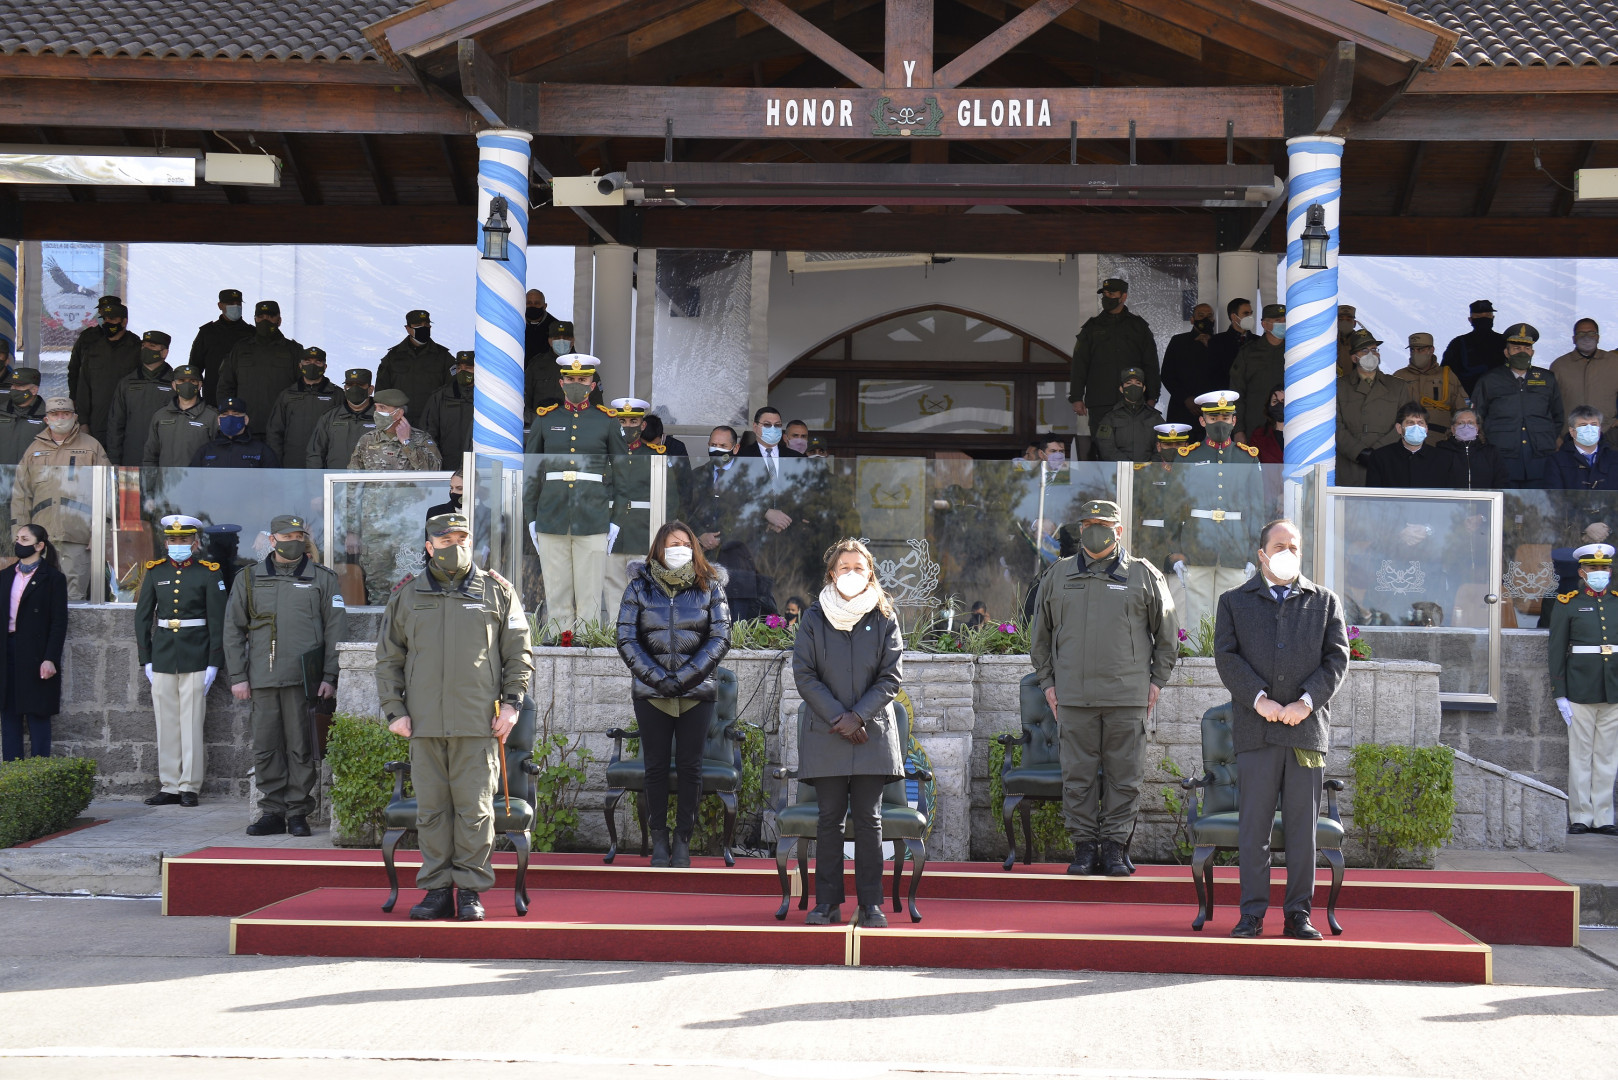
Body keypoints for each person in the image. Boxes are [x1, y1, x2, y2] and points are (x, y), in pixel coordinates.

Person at [377, 511, 533, 921]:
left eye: (462, 539)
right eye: (445, 541)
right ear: (429, 547)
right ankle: (435, 890)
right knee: (431, 812)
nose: (455, 546)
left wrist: (513, 704)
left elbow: (519, 654)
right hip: (424, 723)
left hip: (477, 723)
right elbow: (389, 659)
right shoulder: (407, 596)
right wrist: (394, 710)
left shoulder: (498, 593)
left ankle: (469, 892)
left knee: (475, 812)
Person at [1213, 518, 1350, 940]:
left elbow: (1337, 659)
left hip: (1305, 733)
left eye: (1294, 545)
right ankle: (1252, 913)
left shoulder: (1324, 602)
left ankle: (1298, 915)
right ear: (1261, 554)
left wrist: (1305, 702)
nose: (1287, 551)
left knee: (1301, 829)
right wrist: (1261, 700)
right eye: (1279, 545)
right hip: (1256, 732)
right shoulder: (1235, 602)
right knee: (1253, 829)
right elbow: (1227, 656)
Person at [1030, 499, 1178, 876]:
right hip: (1073, 698)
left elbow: (1167, 636)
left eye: (1104, 523)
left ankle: (1113, 848)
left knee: (1124, 776)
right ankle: (1083, 848)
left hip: (1126, 697)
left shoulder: (1144, 575)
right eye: (1089, 522)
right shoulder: (1058, 575)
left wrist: (1156, 681)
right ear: (1080, 529)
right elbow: (1040, 638)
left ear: (1119, 530)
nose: (1096, 528)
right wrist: (1048, 683)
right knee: (1076, 777)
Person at [792, 538, 905, 928]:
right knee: (829, 821)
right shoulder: (813, 618)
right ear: (831, 573)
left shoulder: (885, 616)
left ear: (870, 572)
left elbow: (891, 677)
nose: (852, 574)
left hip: (871, 734)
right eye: (845, 568)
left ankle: (871, 904)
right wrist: (839, 718)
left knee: (870, 820)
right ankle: (826, 903)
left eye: (859, 568)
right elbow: (804, 674)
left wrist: (858, 717)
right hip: (827, 734)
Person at [615, 520, 732, 867]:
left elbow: (720, 637)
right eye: (670, 544)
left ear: (694, 547)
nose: (677, 548)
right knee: (655, 767)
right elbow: (626, 638)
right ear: (658, 550)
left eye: (684, 542)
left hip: (696, 692)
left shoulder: (710, 586)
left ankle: (683, 838)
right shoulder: (639, 587)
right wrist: (656, 678)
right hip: (651, 693)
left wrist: (684, 677)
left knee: (689, 767)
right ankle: (659, 840)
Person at [225, 512, 345, 838]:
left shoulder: (322, 578)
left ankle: (297, 812)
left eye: (298, 537)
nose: (293, 543)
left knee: (301, 747)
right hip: (262, 677)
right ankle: (272, 812)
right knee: (265, 746)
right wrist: (238, 675)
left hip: (302, 679)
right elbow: (233, 629)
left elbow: (336, 629)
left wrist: (329, 676)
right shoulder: (248, 578)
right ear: (272, 540)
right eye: (287, 537)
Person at [524, 355, 622, 630]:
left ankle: (587, 648)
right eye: (570, 379)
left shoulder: (607, 421)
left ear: (593, 384)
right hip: (551, 514)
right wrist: (531, 516)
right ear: (561, 382)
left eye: (582, 379)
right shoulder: (546, 419)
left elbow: (623, 474)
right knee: (557, 595)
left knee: (590, 597)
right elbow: (532, 472)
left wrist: (615, 518)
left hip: (593, 516)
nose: (576, 383)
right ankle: (558, 644)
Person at [135, 515, 227, 807]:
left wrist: (214, 663)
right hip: (163, 654)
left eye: (184, 540)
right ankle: (169, 785)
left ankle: (189, 785)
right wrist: (145, 659)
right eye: (173, 540)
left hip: (196, 653)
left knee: (190, 721)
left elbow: (218, 620)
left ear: (195, 543)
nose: (178, 545)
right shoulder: (154, 571)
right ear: (165, 543)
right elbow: (143, 617)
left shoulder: (209, 572)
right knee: (166, 722)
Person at [1548, 543, 1618, 836]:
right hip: (1579, 689)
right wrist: (1559, 693)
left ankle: (1604, 816)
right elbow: (1556, 649)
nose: (1599, 573)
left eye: (1604, 568)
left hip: (1613, 690)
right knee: (1580, 755)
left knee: (1606, 756)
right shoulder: (1569, 603)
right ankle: (1580, 815)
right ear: (1581, 572)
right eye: (1593, 568)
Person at [11, 398, 109, 599]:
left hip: (78, 535)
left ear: (75, 417)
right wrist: (20, 534)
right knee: (38, 597)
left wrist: (100, 532)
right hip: (41, 538)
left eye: (65, 413)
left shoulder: (92, 446)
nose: (61, 418)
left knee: (74, 600)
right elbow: (21, 494)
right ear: (46, 419)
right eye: (55, 414)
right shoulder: (33, 449)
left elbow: (108, 490)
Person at [0, 524, 67, 761]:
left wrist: (50, 658)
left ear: (39, 546)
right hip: (8, 651)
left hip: (37, 654)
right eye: (17, 538)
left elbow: (58, 623)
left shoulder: (53, 579)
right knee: (9, 718)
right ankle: (12, 778)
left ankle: (38, 776)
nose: (19, 543)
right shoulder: (5, 576)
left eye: (25, 539)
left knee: (38, 715)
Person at [1069, 278, 1159, 449]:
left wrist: (1152, 396)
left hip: (1134, 400)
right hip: (1100, 400)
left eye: (1111, 294)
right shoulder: (1091, 328)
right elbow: (1080, 364)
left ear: (1123, 297)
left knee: (1133, 446)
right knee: (1103, 447)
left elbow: (1151, 364)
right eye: (1104, 294)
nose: (1106, 297)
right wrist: (1076, 397)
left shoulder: (1138, 327)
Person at [1472, 322, 1564, 486]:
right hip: (1503, 455)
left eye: (1526, 349)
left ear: (1532, 352)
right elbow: (1477, 417)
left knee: (1539, 506)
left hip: (1539, 456)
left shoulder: (1547, 378)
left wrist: (1546, 437)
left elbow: (1557, 415)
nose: (1522, 352)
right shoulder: (1490, 379)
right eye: (1516, 348)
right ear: (1506, 352)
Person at [602, 397, 671, 616]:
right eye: (622, 422)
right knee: (612, 588)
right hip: (610, 531)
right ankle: (615, 636)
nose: (628, 426)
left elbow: (671, 499)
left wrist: (664, 536)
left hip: (644, 534)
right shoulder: (604, 455)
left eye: (633, 421)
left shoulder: (654, 455)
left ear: (642, 425)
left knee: (645, 592)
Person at [215, 301, 304, 439]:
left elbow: (302, 390)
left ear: (279, 320)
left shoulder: (294, 350)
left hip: (282, 431)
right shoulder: (240, 349)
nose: (265, 320)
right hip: (244, 429)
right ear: (255, 319)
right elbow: (226, 386)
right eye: (261, 317)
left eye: (270, 316)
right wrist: (230, 418)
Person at [68, 296, 142, 449]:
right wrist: (82, 417)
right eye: (104, 317)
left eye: (112, 318)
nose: (107, 322)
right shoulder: (91, 343)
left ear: (124, 321)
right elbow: (78, 376)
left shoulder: (135, 346)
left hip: (127, 418)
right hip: (97, 415)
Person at [1336, 328, 1404, 486]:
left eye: (1374, 349)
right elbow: (1335, 425)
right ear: (1354, 358)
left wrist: (1379, 452)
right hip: (1351, 463)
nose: (1371, 354)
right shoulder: (1339, 387)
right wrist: (1358, 452)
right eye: (1364, 350)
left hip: (1387, 461)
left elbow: (1406, 423)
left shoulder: (1398, 386)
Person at [106, 330, 176, 466]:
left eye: (152, 346)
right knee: (133, 488)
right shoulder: (127, 383)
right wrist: (114, 460)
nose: (146, 349)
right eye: (144, 346)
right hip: (131, 458)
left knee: (163, 488)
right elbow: (115, 424)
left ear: (164, 352)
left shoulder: (175, 384)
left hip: (165, 461)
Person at [376, 309, 454, 427]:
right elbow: (382, 394)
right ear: (407, 328)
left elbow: (452, 392)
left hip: (434, 424)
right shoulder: (393, 357)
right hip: (400, 423)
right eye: (418, 325)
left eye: (426, 324)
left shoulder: (444, 357)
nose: (424, 328)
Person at [266, 347, 340, 468]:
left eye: (317, 362)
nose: (312, 365)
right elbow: (274, 432)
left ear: (325, 367)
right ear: (300, 365)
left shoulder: (337, 395)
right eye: (308, 361)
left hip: (325, 465)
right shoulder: (287, 395)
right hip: (292, 465)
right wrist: (277, 464)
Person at [1550, 318, 1618, 437]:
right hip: (1570, 436)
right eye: (1581, 333)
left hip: (1607, 434)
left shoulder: (1614, 362)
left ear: (1598, 337)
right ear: (1573, 339)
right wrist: (1557, 436)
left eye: (1591, 333)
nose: (1586, 337)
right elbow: (1549, 404)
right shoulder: (1559, 365)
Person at [1391, 332, 1466, 439]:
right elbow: (1390, 411)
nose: (1416, 353)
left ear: (1431, 350)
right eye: (1413, 350)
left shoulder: (1447, 376)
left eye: (1421, 349)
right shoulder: (1399, 376)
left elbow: (1462, 411)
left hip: (1441, 441)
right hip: (1407, 440)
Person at [1228, 304, 1287, 440]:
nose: (1283, 324)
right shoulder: (1248, 353)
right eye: (1278, 321)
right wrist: (1238, 430)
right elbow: (1237, 394)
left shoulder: (1294, 352)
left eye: (1285, 320)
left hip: (1287, 428)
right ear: (1264, 324)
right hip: (1255, 428)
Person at [187, 288, 254, 406]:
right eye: (230, 304)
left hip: (244, 400)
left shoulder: (252, 334)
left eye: (238, 304)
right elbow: (195, 368)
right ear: (220, 305)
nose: (235, 307)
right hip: (212, 401)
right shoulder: (207, 332)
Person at [143, 365, 217, 468]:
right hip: (167, 481)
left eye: (192, 381)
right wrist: (151, 481)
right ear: (174, 385)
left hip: (199, 482)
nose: (187, 384)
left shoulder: (212, 417)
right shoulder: (160, 416)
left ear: (199, 385)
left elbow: (219, 455)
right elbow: (150, 456)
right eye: (181, 381)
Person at [346, 389, 440, 471]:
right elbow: (353, 477)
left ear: (399, 413)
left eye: (382, 407)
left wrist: (407, 442)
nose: (377, 412)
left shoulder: (422, 438)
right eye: (376, 407)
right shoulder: (367, 439)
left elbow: (433, 470)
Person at [1365, 403, 1453, 489]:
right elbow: (1373, 497)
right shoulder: (1381, 457)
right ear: (1399, 428)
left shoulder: (1443, 458)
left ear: (1426, 429)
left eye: (1420, 423)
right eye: (1410, 423)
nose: (1416, 427)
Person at [307, 368, 379, 469]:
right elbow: (315, 454)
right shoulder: (329, 417)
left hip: (371, 482)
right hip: (335, 481)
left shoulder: (382, 417)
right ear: (345, 388)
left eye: (360, 385)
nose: (354, 389)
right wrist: (316, 482)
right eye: (350, 385)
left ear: (370, 389)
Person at [1159, 303, 1218, 426]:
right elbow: (1167, 375)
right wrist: (1185, 398)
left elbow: (1222, 373)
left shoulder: (1220, 343)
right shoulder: (1179, 341)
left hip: (1212, 409)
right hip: (1182, 408)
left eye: (1209, 316)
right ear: (1192, 320)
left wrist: (1209, 347)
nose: (1205, 319)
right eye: (1200, 315)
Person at [1094, 367, 1164, 462]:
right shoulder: (1109, 418)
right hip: (1118, 472)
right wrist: (1129, 466)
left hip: (1148, 474)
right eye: (1129, 383)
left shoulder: (1155, 417)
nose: (1133, 386)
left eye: (1138, 383)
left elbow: (1163, 446)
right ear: (1121, 388)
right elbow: (1106, 449)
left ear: (1143, 388)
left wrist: (1149, 468)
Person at [1442, 299, 1508, 396]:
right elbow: (1446, 374)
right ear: (1470, 319)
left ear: (1493, 317)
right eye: (1478, 316)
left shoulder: (1505, 342)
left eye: (1487, 316)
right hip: (1468, 401)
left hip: (1501, 399)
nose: (1483, 319)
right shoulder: (1458, 343)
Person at [191, 399, 280, 468]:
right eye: (225, 415)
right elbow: (192, 485)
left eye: (236, 414)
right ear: (219, 420)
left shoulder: (261, 451)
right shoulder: (205, 451)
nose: (230, 418)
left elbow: (273, 486)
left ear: (246, 419)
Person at [1545, 406, 1618, 490]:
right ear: (1572, 431)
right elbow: (1554, 498)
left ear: (1599, 429)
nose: (1589, 429)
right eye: (1583, 425)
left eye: (1594, 424)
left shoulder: (1615, 459)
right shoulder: (1556, 461)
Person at [422, 350, 475, 464]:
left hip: (478, 467)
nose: (462, 371)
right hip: (446, 467)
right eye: (459, 368)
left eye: (468, 368)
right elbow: (427, 433)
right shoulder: (441, 396)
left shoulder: (487, 398)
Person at [1435, 408, 1508, 490]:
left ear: (1477, 428)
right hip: (1451, 501)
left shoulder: (1491, 452)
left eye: (1470, 423)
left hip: (1484, 501)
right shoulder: (1441, 451)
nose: (1466, 427)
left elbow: (1501, 481)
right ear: (1453, 429)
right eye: (1461, 423)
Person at [525, 319, 583, 415]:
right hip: (542, 423)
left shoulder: (584, 365)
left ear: (572, 341)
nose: (561, 340)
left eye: (565, 337)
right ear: (550, 341)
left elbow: (595, 403)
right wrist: (533, 421)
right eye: (556, 338)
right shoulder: (536, 365)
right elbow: (525, 399)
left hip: (574, 425)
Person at [0, 367, 47, 466]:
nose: (13, 389)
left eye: (19, 386)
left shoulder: (47, 417)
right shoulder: (1, 411)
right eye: (12, 385)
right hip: (3, 476)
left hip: (32, 477)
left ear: (34, 390)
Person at [1206, 297, 1253, 391]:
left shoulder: (1258, 340)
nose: (1250, 317)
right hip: (1226, 396)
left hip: (1252, 397)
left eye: (1251, 313)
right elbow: (1212, 374)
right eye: (1245, 313)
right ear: (1234, 316)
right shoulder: (1217, 341)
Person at [738, 405, 804, 463]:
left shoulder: (796, 458)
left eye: (777, 425)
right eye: (767, 424)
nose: (773, 429)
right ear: (755, 427)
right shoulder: (740, 456)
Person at [1246, 386, 1285, 464]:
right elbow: (1252, 465)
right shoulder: (1259, 436)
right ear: (1269, 406)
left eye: (1284, 401)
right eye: (1275, 401)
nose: (1280, 405)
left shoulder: (1300, 434)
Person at [524, 289, 560, 362]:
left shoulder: (555, 327)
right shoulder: (517, 324)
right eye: (529, 303)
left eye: (537, 303)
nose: (532, 306)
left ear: (544, 306)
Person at [1334, 304, 1360, 376]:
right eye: (1340, 319)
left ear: (1354, 323)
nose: (1344, 323)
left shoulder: (1362, 342)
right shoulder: (1327, 340)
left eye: (1348, 320)